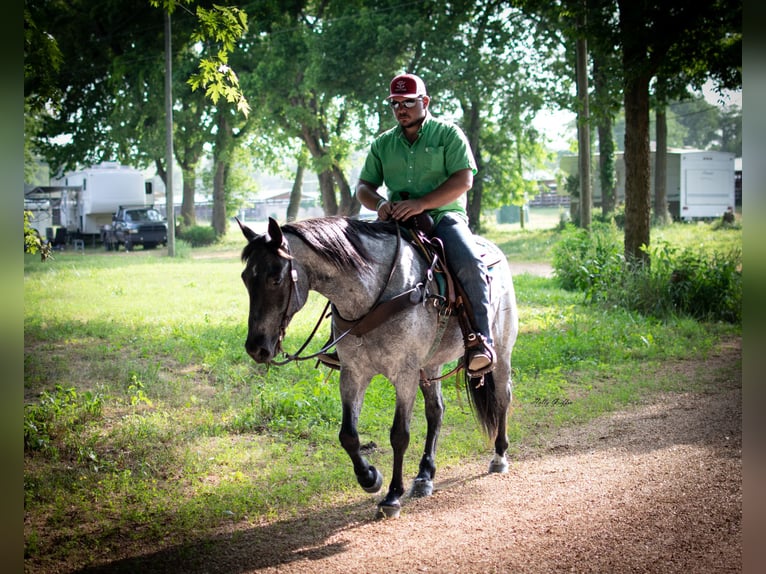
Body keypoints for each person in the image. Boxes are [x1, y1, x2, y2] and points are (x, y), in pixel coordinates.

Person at [355, 72, 495, 377]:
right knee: (350, 254)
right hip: (396, 222)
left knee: (470, 263)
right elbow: (363, 186)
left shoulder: (448, 135)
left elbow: (464, 179)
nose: (401, 108)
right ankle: (342, 343)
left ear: (425, 101)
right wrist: (380, 204)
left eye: (408, 102)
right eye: (395, 103)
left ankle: (480, 341)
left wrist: (422, 203)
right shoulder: (383, 144)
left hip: (444, 218)